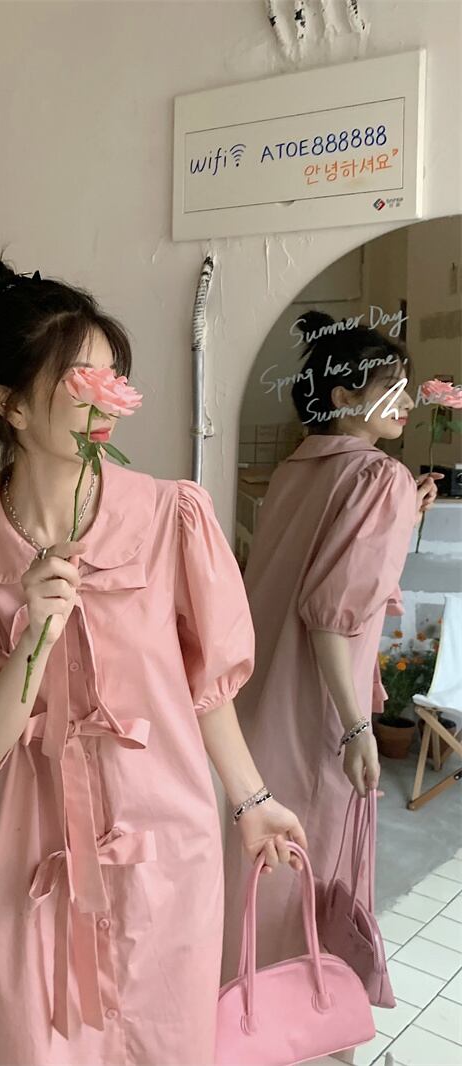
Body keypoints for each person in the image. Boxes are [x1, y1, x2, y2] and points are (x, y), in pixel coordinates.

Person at [0, 254, 307, 1066]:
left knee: (167, 1042)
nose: (105, 396)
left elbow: (203, 686)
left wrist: (252, 800)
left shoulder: (168, 516)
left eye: (111, 376)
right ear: (10, 403)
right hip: (41, 853)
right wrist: (33, 636)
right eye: (77, 380)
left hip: (170, 845)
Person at [221, 309, 442, 983]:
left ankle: (233, 1003)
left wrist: (400, 517)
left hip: (254, 696)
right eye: (390, 387)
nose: (406, 402)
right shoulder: (381, 478)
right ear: (344, 395)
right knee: (304, 865)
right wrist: (355, 727)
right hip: (315, 705)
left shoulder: (295, 468)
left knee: (251, 868)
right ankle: (295, 1015)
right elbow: (331, 618)